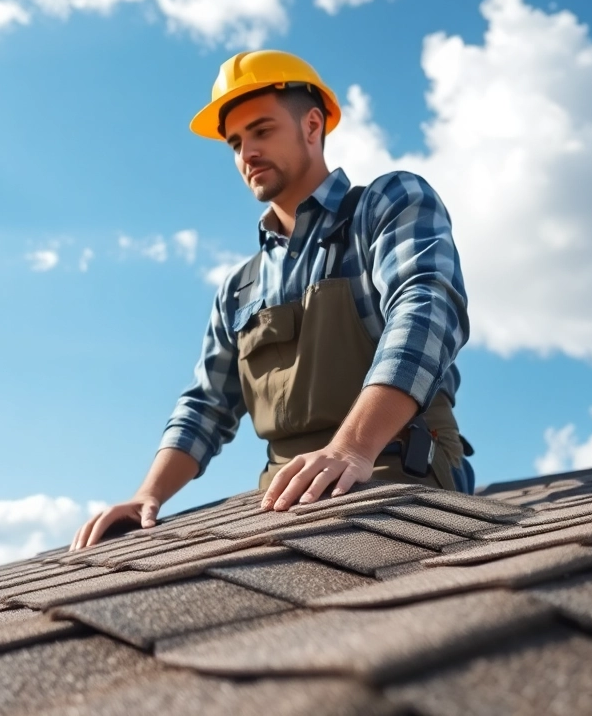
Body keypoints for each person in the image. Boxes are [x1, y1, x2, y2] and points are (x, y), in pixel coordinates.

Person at [71, 50, 473, 551]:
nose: (246, 154)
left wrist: (352, 448)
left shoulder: (387, 206)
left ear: (311, 125)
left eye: (261, 131)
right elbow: (206, 405)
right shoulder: (240, 288)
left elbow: (426, 307)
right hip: (285, 495)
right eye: (236, 143)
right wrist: (147, 496)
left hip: (397, 469)